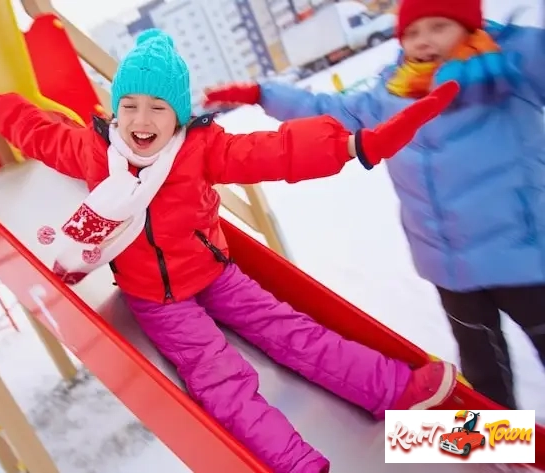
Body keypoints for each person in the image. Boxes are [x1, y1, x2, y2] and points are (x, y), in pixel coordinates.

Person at [0, 29, 459, 473]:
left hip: (217, 274)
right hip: (157, 299)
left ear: (179, 116)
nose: (141, 120)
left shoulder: (200, 149)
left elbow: (275, 150)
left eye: (158, 107)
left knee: (294, 331)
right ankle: (295, 462)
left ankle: (398, 392)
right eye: (130, 106)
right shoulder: (92, 152)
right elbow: (35, 130)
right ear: (115, 108)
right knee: (220, 378)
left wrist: (353, 145)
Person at [202, 0, 545, 410]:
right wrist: (262, 93)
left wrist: (514, 38)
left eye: (439, 27)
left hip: (524, 259)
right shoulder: (391, 90)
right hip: (449, 269)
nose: (424, 41)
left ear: (470, 27)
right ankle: (500, 455)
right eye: (413, 32)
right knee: (484, 374)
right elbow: (327, 112)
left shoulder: (510, 67)